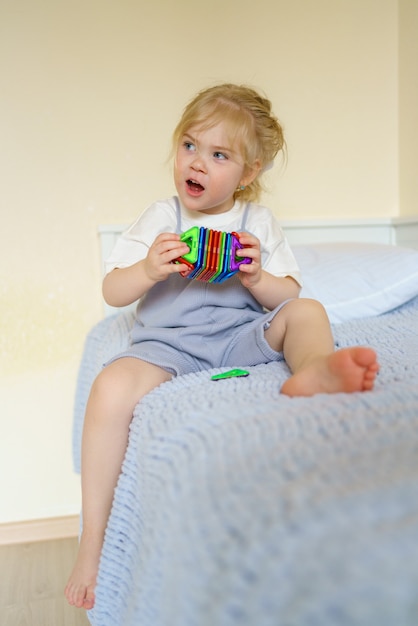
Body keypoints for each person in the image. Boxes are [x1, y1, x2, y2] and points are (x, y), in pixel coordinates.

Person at [65, 83, 379, 610]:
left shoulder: (258, 225)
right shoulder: (162, 218)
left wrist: (257, 276)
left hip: (240, 338)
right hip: (169, 345)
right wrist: (147, 269)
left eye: (219, 155)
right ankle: (92, 541)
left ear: (249, 173)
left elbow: (289, 293)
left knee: (307, 312)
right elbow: (111, 291)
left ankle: (316, 370)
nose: (198, 164)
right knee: (110, 385)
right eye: (190, 146)